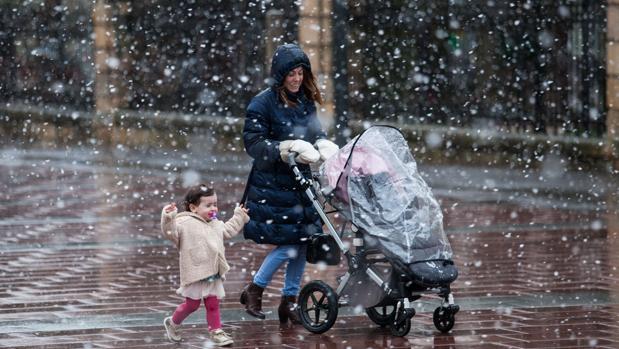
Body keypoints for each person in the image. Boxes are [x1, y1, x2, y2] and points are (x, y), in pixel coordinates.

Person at [240, 43, 339, 324]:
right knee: (289, 244)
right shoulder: (262, 103)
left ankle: (289, 302)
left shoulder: (305, 100)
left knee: (304, 240)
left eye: (300, 73)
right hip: (273, 184)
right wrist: (284, 148)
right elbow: (254, 144)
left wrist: (321, 143)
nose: (296, 79)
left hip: (300, 182)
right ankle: (255, 289)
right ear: (280, 75)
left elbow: (316, 130)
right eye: (291, 74)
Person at [161, 184, 250, 346]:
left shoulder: (215, 223)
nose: (213, 208)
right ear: (193, 208)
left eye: (215, 204)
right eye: (208, 205)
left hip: (213, 272)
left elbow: (228, 230)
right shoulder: (184, 223)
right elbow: (170, 233)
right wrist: (168, 218)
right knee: (192, 305)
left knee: (213, 305)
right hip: (195, 272)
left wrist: (239, 216)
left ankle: (216, 332)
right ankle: (173, 323)